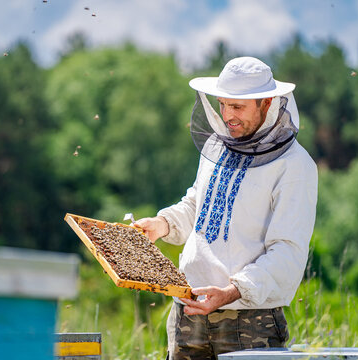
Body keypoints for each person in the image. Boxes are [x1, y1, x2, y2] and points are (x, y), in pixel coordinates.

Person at [135, 57, 318, 359]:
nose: (227, 116)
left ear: (267, 103)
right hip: (188, 313)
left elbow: (288, 251)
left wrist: (233, 291)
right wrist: (162, 224)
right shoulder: (216, 146)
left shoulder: (295, 166)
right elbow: (198, 204)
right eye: (223, 104)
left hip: (249, 323)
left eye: (238, 107)